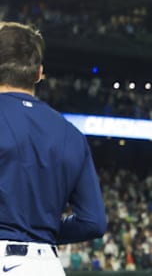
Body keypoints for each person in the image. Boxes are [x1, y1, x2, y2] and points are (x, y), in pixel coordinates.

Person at [0, 21, 106, 275]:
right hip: (47, 264)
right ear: (38, 73)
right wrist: (40, 229)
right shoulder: (71, 134)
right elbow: (93, 222)